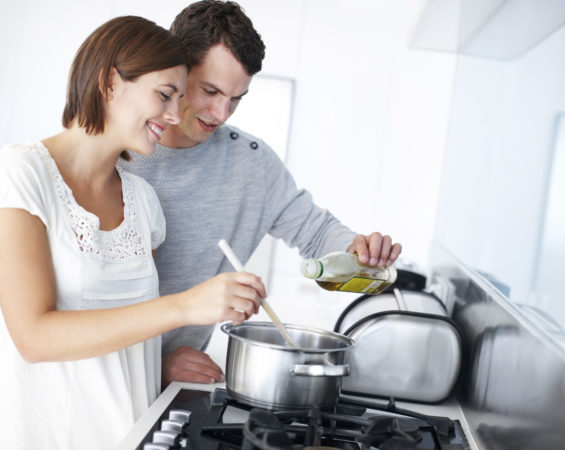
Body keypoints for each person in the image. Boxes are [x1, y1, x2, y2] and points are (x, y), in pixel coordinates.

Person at [0, 16, 265, 449]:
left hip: (139, 435)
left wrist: (159, 363)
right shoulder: (21, 173)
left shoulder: (143, 202)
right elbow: (34, 337)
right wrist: (184, 307)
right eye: (164, 95)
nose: (175, 115)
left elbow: (131, 333)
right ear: (109, 83)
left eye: (180, 99)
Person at [119, 0, 403, 389]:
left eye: (236, 98)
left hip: (180, 382)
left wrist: (358, 250)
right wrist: (153, 364)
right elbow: (81, 308)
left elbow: (317, 233)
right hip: (114, 377)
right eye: (210, 90)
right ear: (176, 69)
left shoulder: (252, 164)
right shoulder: (123, 155)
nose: (221, 113)